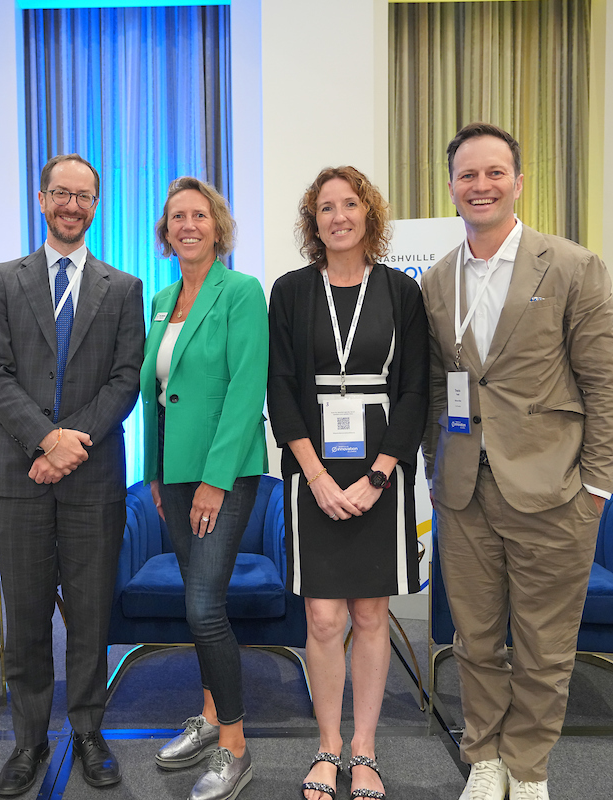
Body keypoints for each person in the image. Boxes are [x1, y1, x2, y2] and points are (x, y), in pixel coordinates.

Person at [421, 123, 613, 800]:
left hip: (554, 489)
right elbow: (436, 386)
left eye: (493, 172)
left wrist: (597, 485)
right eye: (467, 175)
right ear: (451, 185)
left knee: (544, 643)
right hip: (463, 491)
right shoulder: (436, 279)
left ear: (518, 180)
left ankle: (530, 765)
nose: (480, 185)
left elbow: (606, 382)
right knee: (476, 639)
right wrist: (435, 466)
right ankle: (485, 755)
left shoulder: (570, 265)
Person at [0, 153, 145, 796]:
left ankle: (90, 731)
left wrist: (73, 443)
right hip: (18, 475)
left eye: (85, 197)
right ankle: (27, 742)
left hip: (94, 474)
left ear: (96, 206)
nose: (73, 206)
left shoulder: (122, 287)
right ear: (42, 199)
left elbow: (125, 378)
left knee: (90, 614)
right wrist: (45, 439)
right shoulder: (2, 279)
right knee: (23, 617)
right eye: (62, 194)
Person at [268, 166, 429, 800]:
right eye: (325, 207)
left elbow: (415, 390)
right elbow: (279, 387)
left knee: (370, 613)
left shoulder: (401, 292)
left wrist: (380, 476)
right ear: (314, 222)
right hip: (313, 468)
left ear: (369, 214)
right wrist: (313, 475)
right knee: (324, 617)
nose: (338, 216)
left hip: (379, 469)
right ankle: (327, 747)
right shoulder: (290, 292)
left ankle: (365, 749)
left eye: (349, 204)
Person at [141, 176, 269, 800]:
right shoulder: (165, 299)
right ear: (165, 231)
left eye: (199, 215)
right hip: (176, 475)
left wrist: (214, 483)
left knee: (203, 606)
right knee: (199, 605)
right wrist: (158, 475)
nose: (187, 225)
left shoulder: (241, 293)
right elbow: (157, 397)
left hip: (224, 475)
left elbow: (246, 391)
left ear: (217, 226)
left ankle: (236, 748)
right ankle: (211, 716)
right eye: (176, 218)